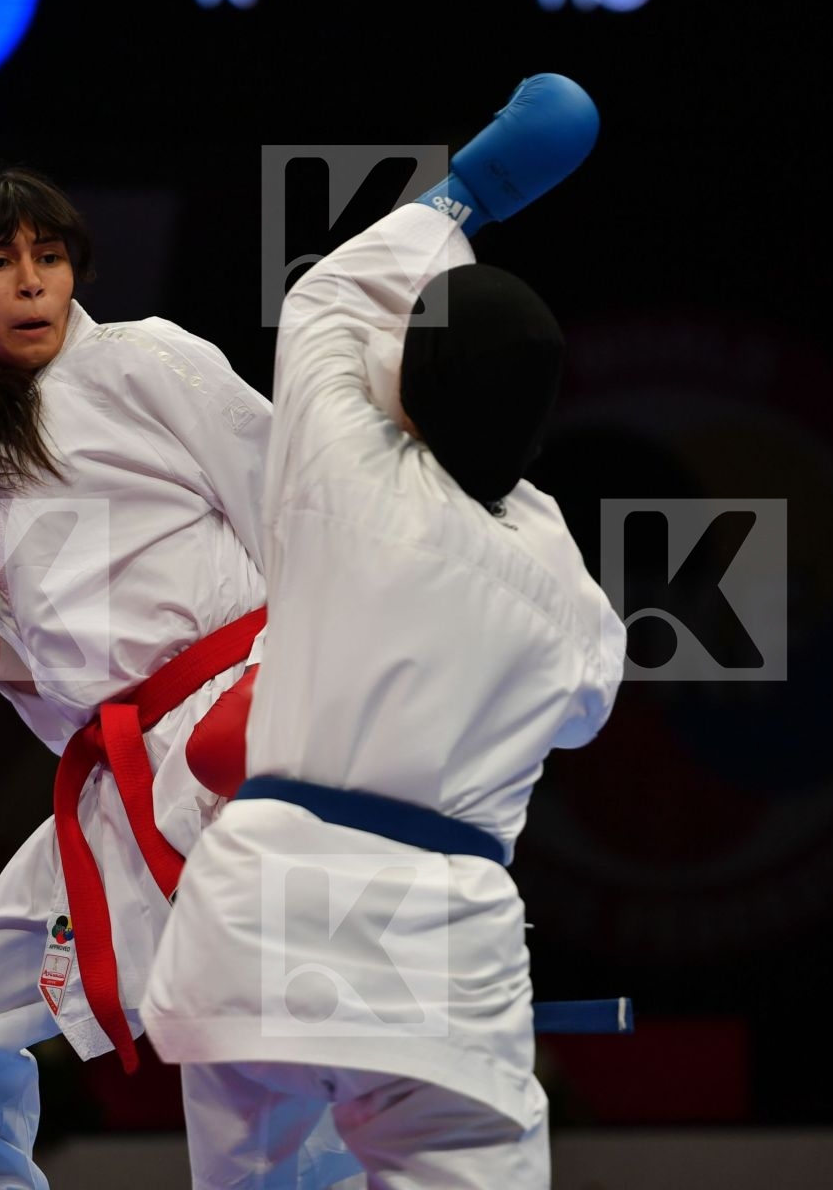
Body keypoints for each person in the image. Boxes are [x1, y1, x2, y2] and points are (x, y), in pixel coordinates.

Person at [142, 74, 626, 1188]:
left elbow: (330, 306)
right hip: (436, 949)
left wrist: (459, 199)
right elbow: (591, 711)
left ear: (407, 383)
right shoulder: (563, 588)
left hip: (256, 919)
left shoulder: (346, 470)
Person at [0, 167, 361, 1189]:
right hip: (120, 768)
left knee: (255, 1034)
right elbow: (68, 686)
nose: (31, 284)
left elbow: (296, 508)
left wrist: (299, 699)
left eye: (48, 259)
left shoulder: (147, 357)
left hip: (242, 721)